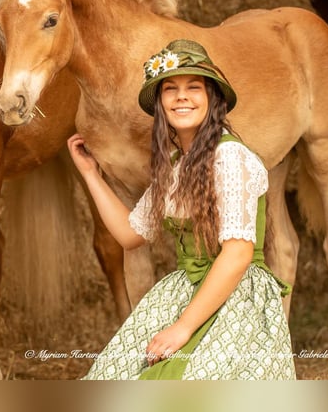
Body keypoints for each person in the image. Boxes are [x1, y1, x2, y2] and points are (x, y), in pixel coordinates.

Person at [68, 38, 295, 380]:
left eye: (194, 87)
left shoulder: (230, 158)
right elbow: (130, 235)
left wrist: (182, 328)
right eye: (170, 89)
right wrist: (91, 175)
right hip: (186, 287)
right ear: (161, 104)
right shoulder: (174, 167)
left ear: (212, 99)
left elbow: (237, 254)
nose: (181, 96)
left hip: (237, 294)